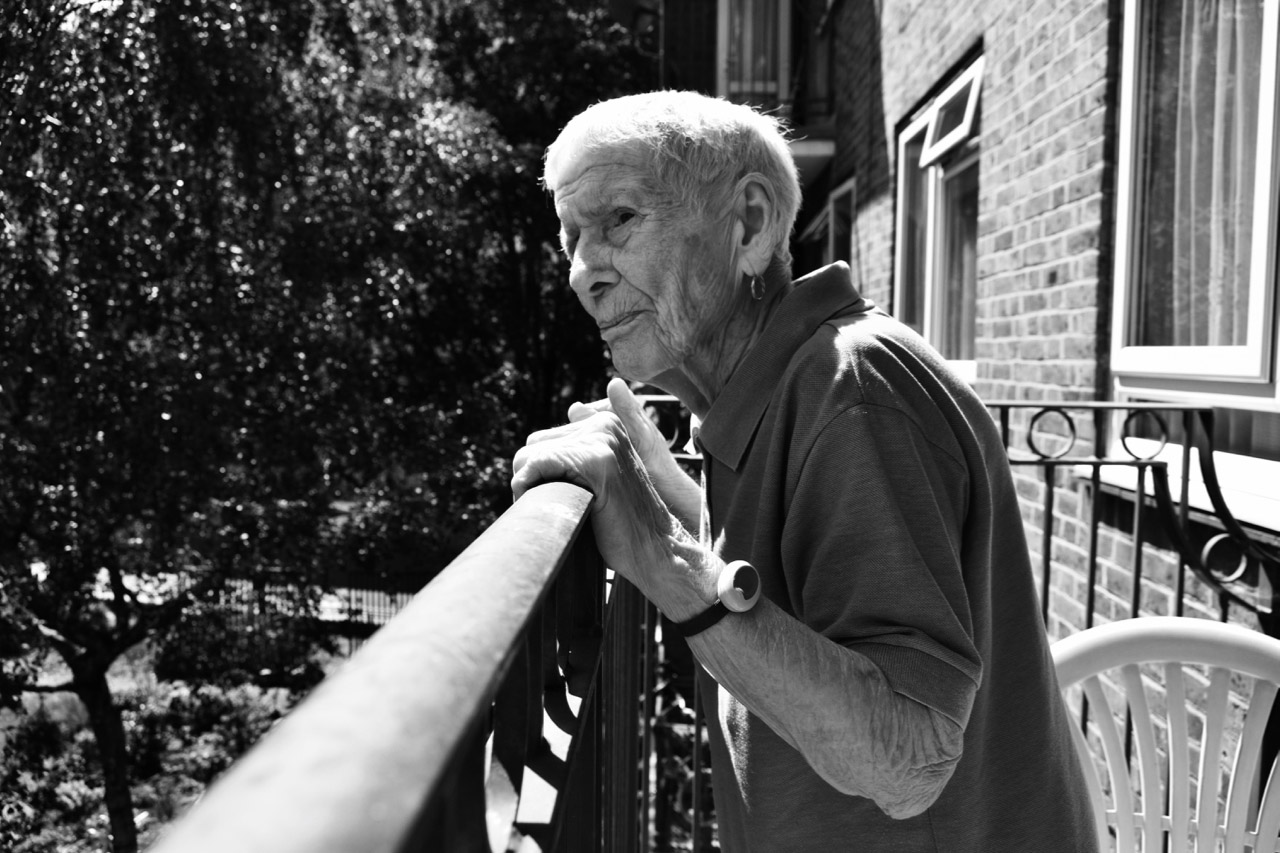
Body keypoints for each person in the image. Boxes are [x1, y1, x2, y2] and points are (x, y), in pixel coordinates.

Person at [511, 90, 1097, 852]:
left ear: (748, 225)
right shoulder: (779, 388)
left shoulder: (852, 390)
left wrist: (663, 551)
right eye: (572, 238)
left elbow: (911, 756)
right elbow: (793, 587)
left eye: (620, 220)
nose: (585, 272)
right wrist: (666, 497)